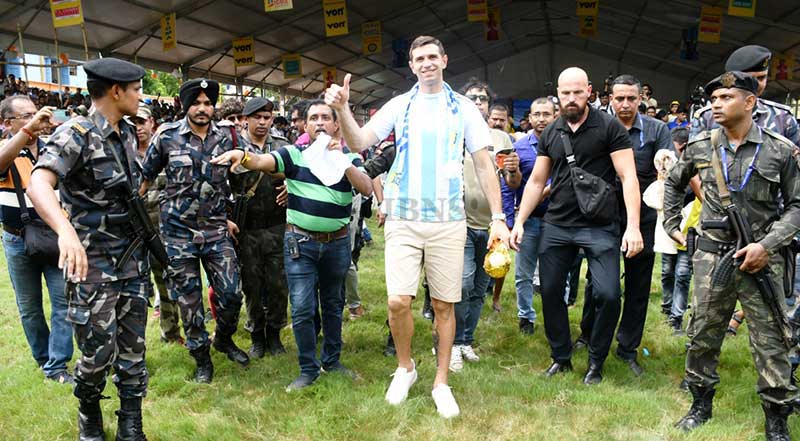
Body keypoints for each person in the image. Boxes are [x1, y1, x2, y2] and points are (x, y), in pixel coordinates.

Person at [324, 35, 510, 418]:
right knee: (397, 301)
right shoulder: (400, 104)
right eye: (418, 58)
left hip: (448, 220)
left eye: (431, 57)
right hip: (404, 219)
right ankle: (405, 367)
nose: (426, 63)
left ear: (444, 60)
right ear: (411, 66)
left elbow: (482, 163)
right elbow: (360, 140)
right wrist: (343, 110)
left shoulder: (463, 109)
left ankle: (441, 381)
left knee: (444, 304)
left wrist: (497, 217)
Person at [663, 71, 799, 440]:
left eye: (725, 98)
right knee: (702, 334)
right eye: (714, 99)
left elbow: (797, 206)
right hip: (711, 259)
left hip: (762, 260)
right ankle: (700, 405)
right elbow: (674, 183)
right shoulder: (701, 146)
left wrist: (766, 246)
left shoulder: (780, 149)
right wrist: (672, 225)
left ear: (749, 102)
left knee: (771, 339)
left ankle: (776, 419)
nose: (716, 104)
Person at [211, 99, 373, 391]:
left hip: (336, 244)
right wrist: (242, 155)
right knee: (301, 307)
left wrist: (343, 162)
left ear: (336, 125)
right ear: (306, 125)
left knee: (333, 305)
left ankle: (332, 361)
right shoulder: (295, 155)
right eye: (314, 118)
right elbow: (262, 161)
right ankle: (308, 369)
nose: (320, 123)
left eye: (326, 118)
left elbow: (366, 187)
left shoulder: (350, 156)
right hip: (300, 243)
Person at [27, 57, 150, 440]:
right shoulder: (75, 133)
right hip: (92, 263)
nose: (141, 95)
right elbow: (38, 183)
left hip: (131, 258)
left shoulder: (127, 133)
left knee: (133, 348)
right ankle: (89, 412)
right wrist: (64, 229)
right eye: (137, 89)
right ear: (116, 91)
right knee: (97, 352)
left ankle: (131, 420)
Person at [510, 67, 644, 385]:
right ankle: (561, 356)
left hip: (599, 225)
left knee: (610, 294)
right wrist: (519, 221)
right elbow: (537, 181)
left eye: (576, 92)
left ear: (589, 91)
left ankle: (596, 361)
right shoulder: (553, 131)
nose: (571, 98)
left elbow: (628, 177)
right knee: (551, 291)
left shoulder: (609, 127)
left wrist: (633, 227)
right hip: (557, 223)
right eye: (565, 93)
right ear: (558, 93)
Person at [141, 79, 249, 384]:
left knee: (231, 292)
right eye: (196, 103)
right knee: (189, 302)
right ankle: (202, 358)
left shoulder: (227, 136)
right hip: (178, 234)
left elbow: (238, 178)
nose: (202, 109)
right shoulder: (166, 136)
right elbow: (146, 177)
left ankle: (224, 340)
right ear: (185, 105)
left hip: (216, 231)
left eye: (207, 103)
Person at [692, 45, 800, 336]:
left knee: (773, 315)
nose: (760, 83)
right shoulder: (706, 116)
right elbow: (692, 169)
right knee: (706, 318)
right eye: (752, 76)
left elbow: (794, 183)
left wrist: (775, 236)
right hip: (720, 228)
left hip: (769, 225)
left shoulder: (784, 119)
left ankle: (777, 370)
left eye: (763, 77)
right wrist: (715, 206)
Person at [578, 74, 670, 377]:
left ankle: (628, 348)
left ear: (641, 98)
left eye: (632, 98)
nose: (626, 104)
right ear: (609, 98)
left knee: (638, 286)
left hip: (642, 217)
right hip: (604, 215)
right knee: (598, 282)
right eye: (620, 98)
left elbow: (668, 170)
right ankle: (588, 335)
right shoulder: (597, 126)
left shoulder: (657, 130)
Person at [0, 95, 74, 385]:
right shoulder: (6, 150)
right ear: (8, 122)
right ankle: (44, 359)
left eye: (36, 114)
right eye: (27, 115)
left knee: (62, 303)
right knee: (29, 308)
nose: (36, 119)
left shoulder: (53, 148)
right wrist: (28, 131)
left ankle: (57, 365)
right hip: (17, 239)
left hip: (55, 236)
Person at [449, 79, 517, 372]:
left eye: (483, 99)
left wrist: (513, 173)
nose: (477, 102)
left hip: (491, 226)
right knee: (462, 284)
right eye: (471, 98)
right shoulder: (449, 133)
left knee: (479, 286)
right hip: (458, 222)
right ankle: (451, 344)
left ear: (490, 106)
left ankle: (466, 340)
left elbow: (513, 183)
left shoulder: (501, 139)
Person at [228, 97, 290, 358]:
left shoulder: (282, 147)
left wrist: (291, 187)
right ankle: (256, 335)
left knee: (278, 284)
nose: (262, 122)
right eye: (257, 117)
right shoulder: (234, 146)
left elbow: (300, 174)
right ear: (245, 119)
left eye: (267, 117)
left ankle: (274, 334)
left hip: (277, 225)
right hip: (247, 228)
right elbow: (220, 183)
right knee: (252, 285)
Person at [133, 104, 184, 345]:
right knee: (136, 289)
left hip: (163, 232)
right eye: (132, 123)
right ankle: (134, 340)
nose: (137, 128)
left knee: (167, 283)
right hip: (133, 233)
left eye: (141, 122)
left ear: (151, 122)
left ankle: (171, 332)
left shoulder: (166, 150)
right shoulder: (124, 153)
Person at [504, 97, 555, 335]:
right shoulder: (520, 147)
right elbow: (509, 185)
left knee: (557, 274)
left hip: (558, 221)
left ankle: (557, 316)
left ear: (555, 116)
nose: (541, 119)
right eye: (537, 114)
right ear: (530, 117)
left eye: (547, 114)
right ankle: (526, 317)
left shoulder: (565, 144)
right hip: (530, 220)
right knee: (523, 274)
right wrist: (512, 222)